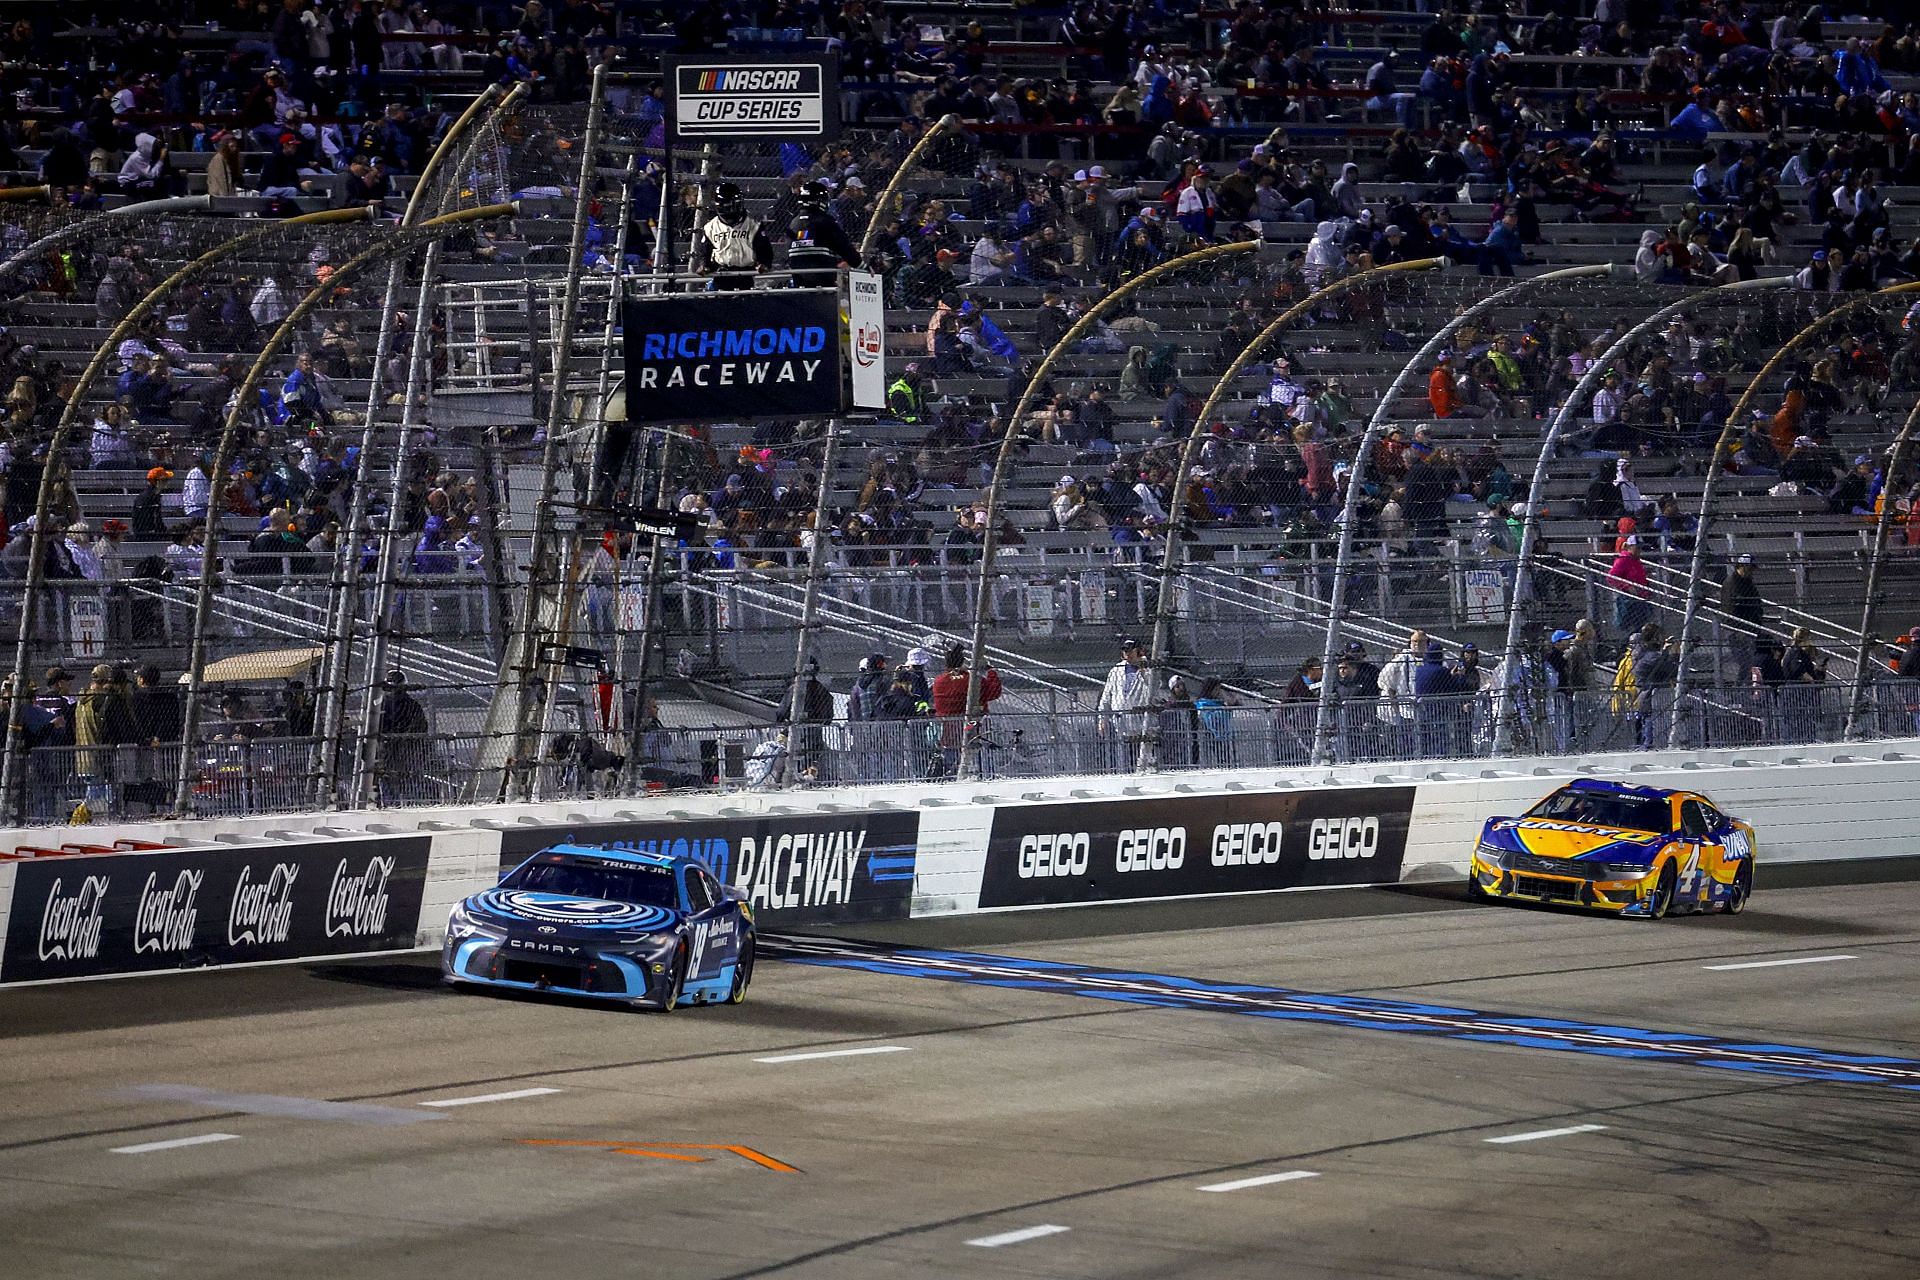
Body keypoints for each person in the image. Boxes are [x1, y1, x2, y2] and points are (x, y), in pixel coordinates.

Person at [929, 644, 1000, 776]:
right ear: (962, 662)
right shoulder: (973, 680)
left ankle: (948, 778)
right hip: (975, 728)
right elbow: (994, 692)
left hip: (948, 730)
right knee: (981, 758)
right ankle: (986, 776)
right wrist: (991, 671)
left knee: (950, 761)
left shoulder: (939, 681)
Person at [690, 181, 772, 290]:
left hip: (748, 273)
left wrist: (764, 263)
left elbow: (765, 249)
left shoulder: (753, 225)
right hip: (722, 274)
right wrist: (705, 265)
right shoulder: (710, 227)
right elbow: (705, 251)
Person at [786, 180, 863, 287]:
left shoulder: (794, 223)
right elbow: (844, 247)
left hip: (798, 280)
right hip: (822, 280)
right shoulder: (824, 221)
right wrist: (862, 265)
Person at [1097, 636, 1156, 770]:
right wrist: (1102, 718)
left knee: (1144, 756)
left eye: (1130, 651)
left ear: (1139, 652)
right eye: (1125, 651)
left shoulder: (1149, 668)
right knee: (1123, 758)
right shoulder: (1116, 670)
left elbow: (1154, 687)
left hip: (1141, 721)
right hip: (1121, 721)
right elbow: (1106, 696)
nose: (1127, 654)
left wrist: (1143, 668)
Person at [375, 670, 430, 801]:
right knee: (403, 779)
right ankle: (407, 803)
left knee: (392, 779)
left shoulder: (380, 704)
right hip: (404, 751)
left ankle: (396, 804)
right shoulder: (411, 705)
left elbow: (421, 727)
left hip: (397, 750)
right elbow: (422, 728)